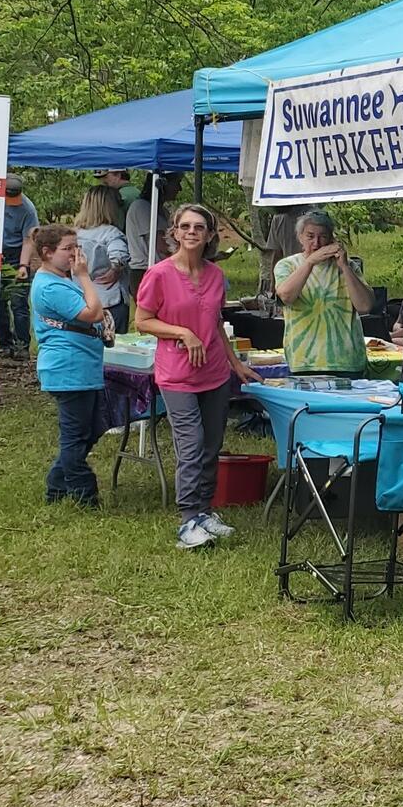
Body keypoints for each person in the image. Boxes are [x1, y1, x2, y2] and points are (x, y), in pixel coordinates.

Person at [135, 203, 262, 549]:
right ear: (174, 232)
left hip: (216, 372)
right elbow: (142, 320)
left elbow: (216, 323)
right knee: (189, 446)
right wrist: (182, 333)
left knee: (211, 445)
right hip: (177, 375)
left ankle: (205, 511)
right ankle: (188, 519)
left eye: (199, 227)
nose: (192, 232)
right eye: (185, 226)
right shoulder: (159, 274)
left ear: (209, 236)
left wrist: (235, 364)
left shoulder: (216, 276)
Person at [28, 224, 108, 506]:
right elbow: (93, 313)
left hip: (81, 367)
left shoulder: (59, 279)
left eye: (78, 247)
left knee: (92, 427)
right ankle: (83, 493)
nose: (76, 254)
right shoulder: (50, 287)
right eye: (68, 249)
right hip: (68, 369)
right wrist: (84, 276)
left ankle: (57, 484)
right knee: (75, 436)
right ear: (47, 253)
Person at [273, 209, 376, 375]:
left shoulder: (349, 266)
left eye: (323, 236)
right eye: (310, 236)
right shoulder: (287, 266)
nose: (316, 243)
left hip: (347, 362)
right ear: (300, 237)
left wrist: (344, 267)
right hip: (304, 361)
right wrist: (310, 263)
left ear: (331, 239)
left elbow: (365, 306)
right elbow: (286, 296)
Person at [72, 185, 132, 333]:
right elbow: (119, 254)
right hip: (109, 301)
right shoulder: (111, 233)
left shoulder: (74, 234)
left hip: (80, 301)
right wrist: (116, 268)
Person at [0, 175, 39, 356]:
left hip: (16, 256)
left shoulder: (27, 209)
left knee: (18, 303)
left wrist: (23, 265)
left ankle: (22, 346)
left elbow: (28, 240)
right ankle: (5, 343)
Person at [125, 174, 181, 297]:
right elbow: (162, 245)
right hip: (144, 270)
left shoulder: (162, 211)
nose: (179, 188)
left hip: (160, 269)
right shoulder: (142, 207)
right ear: (163, 184)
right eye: (177, 183)